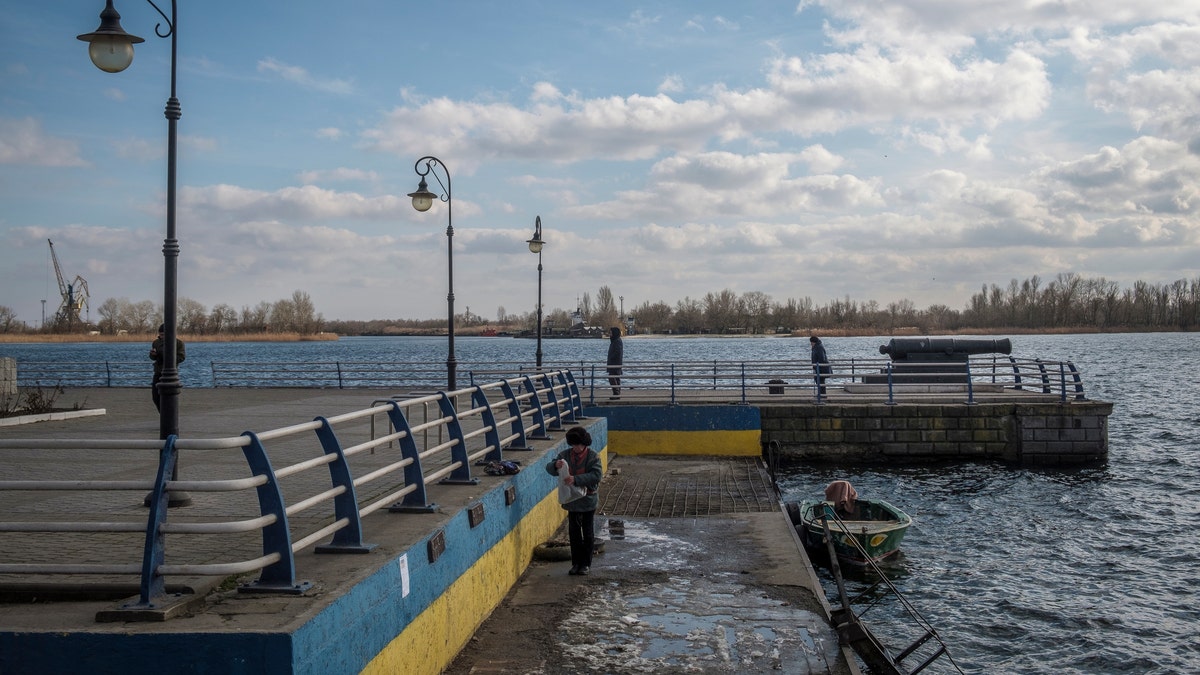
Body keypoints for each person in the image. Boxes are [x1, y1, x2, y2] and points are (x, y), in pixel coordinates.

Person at [545, 426, 602, 576]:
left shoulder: (593, 457)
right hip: (572, 501)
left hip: (588, 499)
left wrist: (576, 479)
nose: (576, 448)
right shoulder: (565, 455)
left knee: (588, 532)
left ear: (584, 444)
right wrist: (554, 466)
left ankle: (586, 564)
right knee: (574, 532)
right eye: (573, 445)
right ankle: (576, 563)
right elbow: (549, 467)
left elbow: (596, 475)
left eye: (578, 445)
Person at [149, 323, 186, 411]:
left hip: (171, 372)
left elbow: (181, 357)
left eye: (163, 335)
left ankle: (168, 415)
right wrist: (153, 355)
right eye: (160, 334)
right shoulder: (156, 343)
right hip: (158, 371)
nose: (161, 337)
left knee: (169, 396)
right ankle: (163, 414)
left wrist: (166, 356)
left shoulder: (178, 343)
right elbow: (153, 358)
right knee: (155, 397)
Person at [607, 326, 623, 399]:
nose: (609, 334)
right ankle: (617, 393)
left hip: (615, 363)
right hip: (615, 363)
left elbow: (618, 352)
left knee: (612, 378)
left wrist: (611, 358)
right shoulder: (615, 341)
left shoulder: (616, 341)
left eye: (611, 333)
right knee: (615, 378)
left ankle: (616, 393)